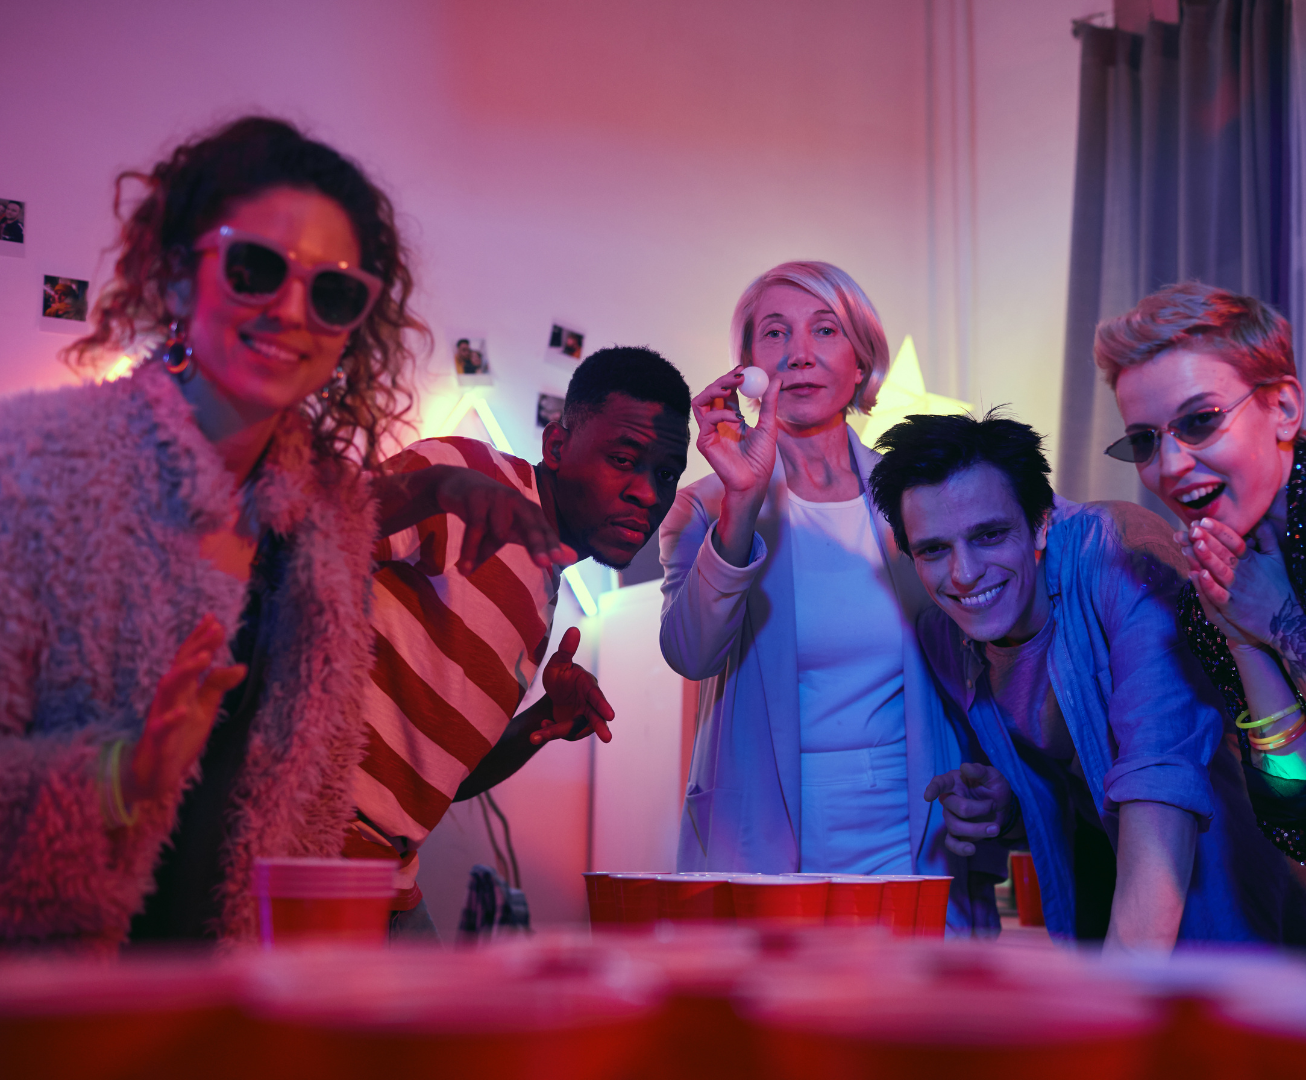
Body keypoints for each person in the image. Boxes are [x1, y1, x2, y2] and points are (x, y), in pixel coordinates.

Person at [0, 117, 551, 950]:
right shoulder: (36, 467)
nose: (290, 310)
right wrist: (118, 780)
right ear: (179, 276)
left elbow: (300, 812)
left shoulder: (325, 524)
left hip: (231, 1017)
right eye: (255, 268)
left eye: (331, 293)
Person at [867, 410, 1306, 950]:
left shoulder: (1121, 554)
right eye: (934, 550)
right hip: (1099, 901)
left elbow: (1163, 771)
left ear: (1040, 523)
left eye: (989, 535)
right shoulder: (946, 641)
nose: (964, 573)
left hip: (1242, 911)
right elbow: (1070, 774)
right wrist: (1009, 807)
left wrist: (1120, 995)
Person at [1097, 282, 1306, 976]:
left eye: (1199, 422)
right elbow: (1301, 819)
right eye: (1144, 440)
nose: (1167, 467)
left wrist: (1284, 630)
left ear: (1283, 406)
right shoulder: (1218, 587)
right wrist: (1245, 640)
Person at [658, 261, 1005, 933]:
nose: (799, 353)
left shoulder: (919, 501)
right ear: (747, 367)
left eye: (826, 329)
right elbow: (691, 653)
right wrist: (740, 502)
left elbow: (981, 659)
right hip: (765, 845)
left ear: (859, 362)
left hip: (916, 841)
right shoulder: (702, 507)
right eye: (775, 333)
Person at [351, 346, 692, 928]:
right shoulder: (470, 475)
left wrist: (541, 722)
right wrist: (433, 490)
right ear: (557, 447)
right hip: (316, 851)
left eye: (665, 474)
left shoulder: (543, 592)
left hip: (390, 873)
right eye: (623, 458)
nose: (648, 493)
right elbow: (319, 538)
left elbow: (449, 786)